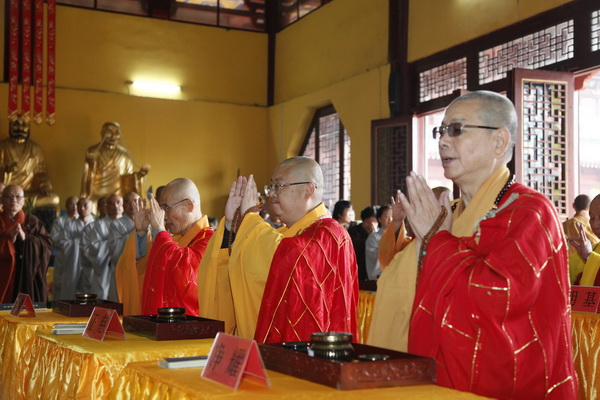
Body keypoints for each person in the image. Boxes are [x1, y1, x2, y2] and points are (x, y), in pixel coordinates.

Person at [373, 91, 577, 398]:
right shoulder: (449, 213)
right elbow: (395, 280)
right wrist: (425, 237)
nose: (442, 141)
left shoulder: (530, 213)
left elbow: (499, 299)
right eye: (440, 131)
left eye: (456, 129)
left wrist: (437, 241)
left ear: (499, 142)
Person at [198, 156, 359, 343]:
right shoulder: (289, 234)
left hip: (309, 353)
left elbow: (287, 260)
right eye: (270, 187)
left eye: (278, 186)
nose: (271, 194)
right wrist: (232, 227)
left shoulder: (329, 234)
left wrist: (250, 218)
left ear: (308, 190)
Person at [117, 178, 214, 316]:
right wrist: (141, 233)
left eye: (166, 208)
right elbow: (146, 272)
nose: (163, 216)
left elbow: (185, 275)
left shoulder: (210, 240)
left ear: (189, 206)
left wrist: (159, 231)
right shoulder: (173, 239)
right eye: (161, 209)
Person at [0, 184, 52, 303]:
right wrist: (9, 240)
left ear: (23, 201)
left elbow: (47, 244)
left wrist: (27, 239)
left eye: (18, 197)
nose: (14, 200)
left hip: (27, 274)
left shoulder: (32, 221)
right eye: (9, 196)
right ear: (2, 199)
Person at [80, 122, 150, 206]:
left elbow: (127, 177)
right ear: (102, 133)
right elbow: (88, 176)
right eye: (109, 132)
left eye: (116, 133)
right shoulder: (94, 151)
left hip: (119, 194)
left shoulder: (124, 154)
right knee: (91, 204)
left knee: (127, 203)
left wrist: (139, 175)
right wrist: (91, 164)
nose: (113, 136)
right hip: (98, 194)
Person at [0, 117, 59, 209]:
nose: (20, 129)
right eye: (16, 125)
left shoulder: (35, 148)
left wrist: (46, 186)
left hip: (27, 193)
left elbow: (40, 172)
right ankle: (15, 203)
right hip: (7, 193)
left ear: (29, 127)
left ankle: (17, 204)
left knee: (54, 199)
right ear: (10, 126)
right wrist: (6, 170)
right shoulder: (2, 146)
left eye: (24, 125)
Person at [80, 194, 123, 300]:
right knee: (103, 299)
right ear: (106, 206)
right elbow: (94, 247)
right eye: (111, 203)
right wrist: (117, 244)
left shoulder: (128, 224)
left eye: (118, 203)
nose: (115, 206)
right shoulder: (99, 225)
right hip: (104, 270)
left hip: (124, 269)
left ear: (122, 206)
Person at [107, 192, 140, 301]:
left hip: (140, 270)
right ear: (123, 206)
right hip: (121, 270)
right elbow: (114, 249)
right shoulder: (116, 224)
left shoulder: (148, 222)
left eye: (135, 201)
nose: (132, 205)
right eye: (127, 202)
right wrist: (137, 232)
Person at [50, 196, 80, 300]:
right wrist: (72, 239)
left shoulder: (84, 220)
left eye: (77, 204)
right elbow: (53, 239)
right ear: (67, 206)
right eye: (72, 204)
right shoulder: (60, 221)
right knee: (62, 288)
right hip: (64, 259)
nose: (75, 207)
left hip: (80, 261)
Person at [568, 194, 600, 285]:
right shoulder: (582, 253)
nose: (595, 224)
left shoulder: (587, 253)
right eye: (592, 218)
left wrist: (589, 257)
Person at [348, 206, 378, 281]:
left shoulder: (379, 232)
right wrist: (371, 236)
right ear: (363, 221)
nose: (370, 225)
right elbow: (358, 247)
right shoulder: (353, 231)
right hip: (358, 268)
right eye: (368, 222)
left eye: (374, 223)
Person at [364, 205, 392, 280]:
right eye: (387, 216)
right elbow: (376, 257)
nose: (390, 219)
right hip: (378, 279)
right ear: (379, 219)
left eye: (393, 216)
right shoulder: (374, 237)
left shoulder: (399, 236)